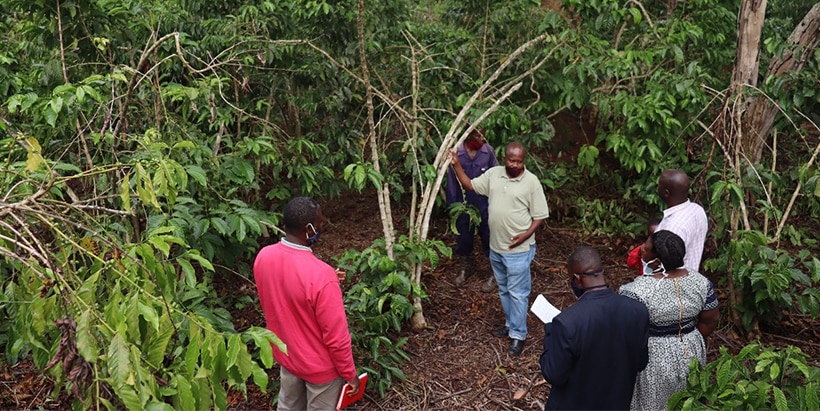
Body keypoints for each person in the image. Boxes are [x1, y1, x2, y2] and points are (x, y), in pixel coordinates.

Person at [253, 197, 360, 410]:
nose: (321, 227)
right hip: (320, 369)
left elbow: (282, 292)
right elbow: (336, 338)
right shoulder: (321, 276)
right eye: (319, 223)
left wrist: (327, 277)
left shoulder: (264, 257)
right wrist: (351, 375)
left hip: (287, 356)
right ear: (309, 228)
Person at [449, 141, 549, 356]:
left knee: (518, 293)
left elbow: (540, 216)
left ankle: (518, 335)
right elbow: (469, 185)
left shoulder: (531, 182)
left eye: (519, 161)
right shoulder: (494, 174)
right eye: (512, 160)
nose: (515, 165)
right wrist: (457, 164)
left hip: (519, 250)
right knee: (504, 289)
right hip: (497, 248)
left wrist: (526, 234)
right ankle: (510, 324)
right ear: (504, 158)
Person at [619, 230, 720, 410]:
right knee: (688, 401)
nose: (641, 249)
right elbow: (710, 319)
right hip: (691, 349)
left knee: (654, 402)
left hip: (653, 357)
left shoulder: (635, 291)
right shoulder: (701, 282)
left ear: (656, 262)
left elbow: (626, 332)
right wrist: (687, 337)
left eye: (646, 248)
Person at [540, 246, 650, 410]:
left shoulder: (567, 322)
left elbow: (553, 374)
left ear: (577, 279)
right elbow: (641, 362)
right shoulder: (637, 310)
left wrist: (550, 334)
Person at [445, 127, 499, 291]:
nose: (482, 138)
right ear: (467, 136)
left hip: (485, 202)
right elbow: (452, 183)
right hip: (463, 204)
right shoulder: (457, 154)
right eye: (477, 135)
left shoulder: (487, 151)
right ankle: (465, 265)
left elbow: (497, 175)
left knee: (489, 235)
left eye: (483, 134)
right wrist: (453, 208)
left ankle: (495, 271)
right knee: (463, 235)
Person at [656, 169, 708, 271]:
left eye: (659, 185)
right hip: (691, 278)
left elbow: (666, 269)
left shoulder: (672, 228)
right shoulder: (697, 210)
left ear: (666, 193)